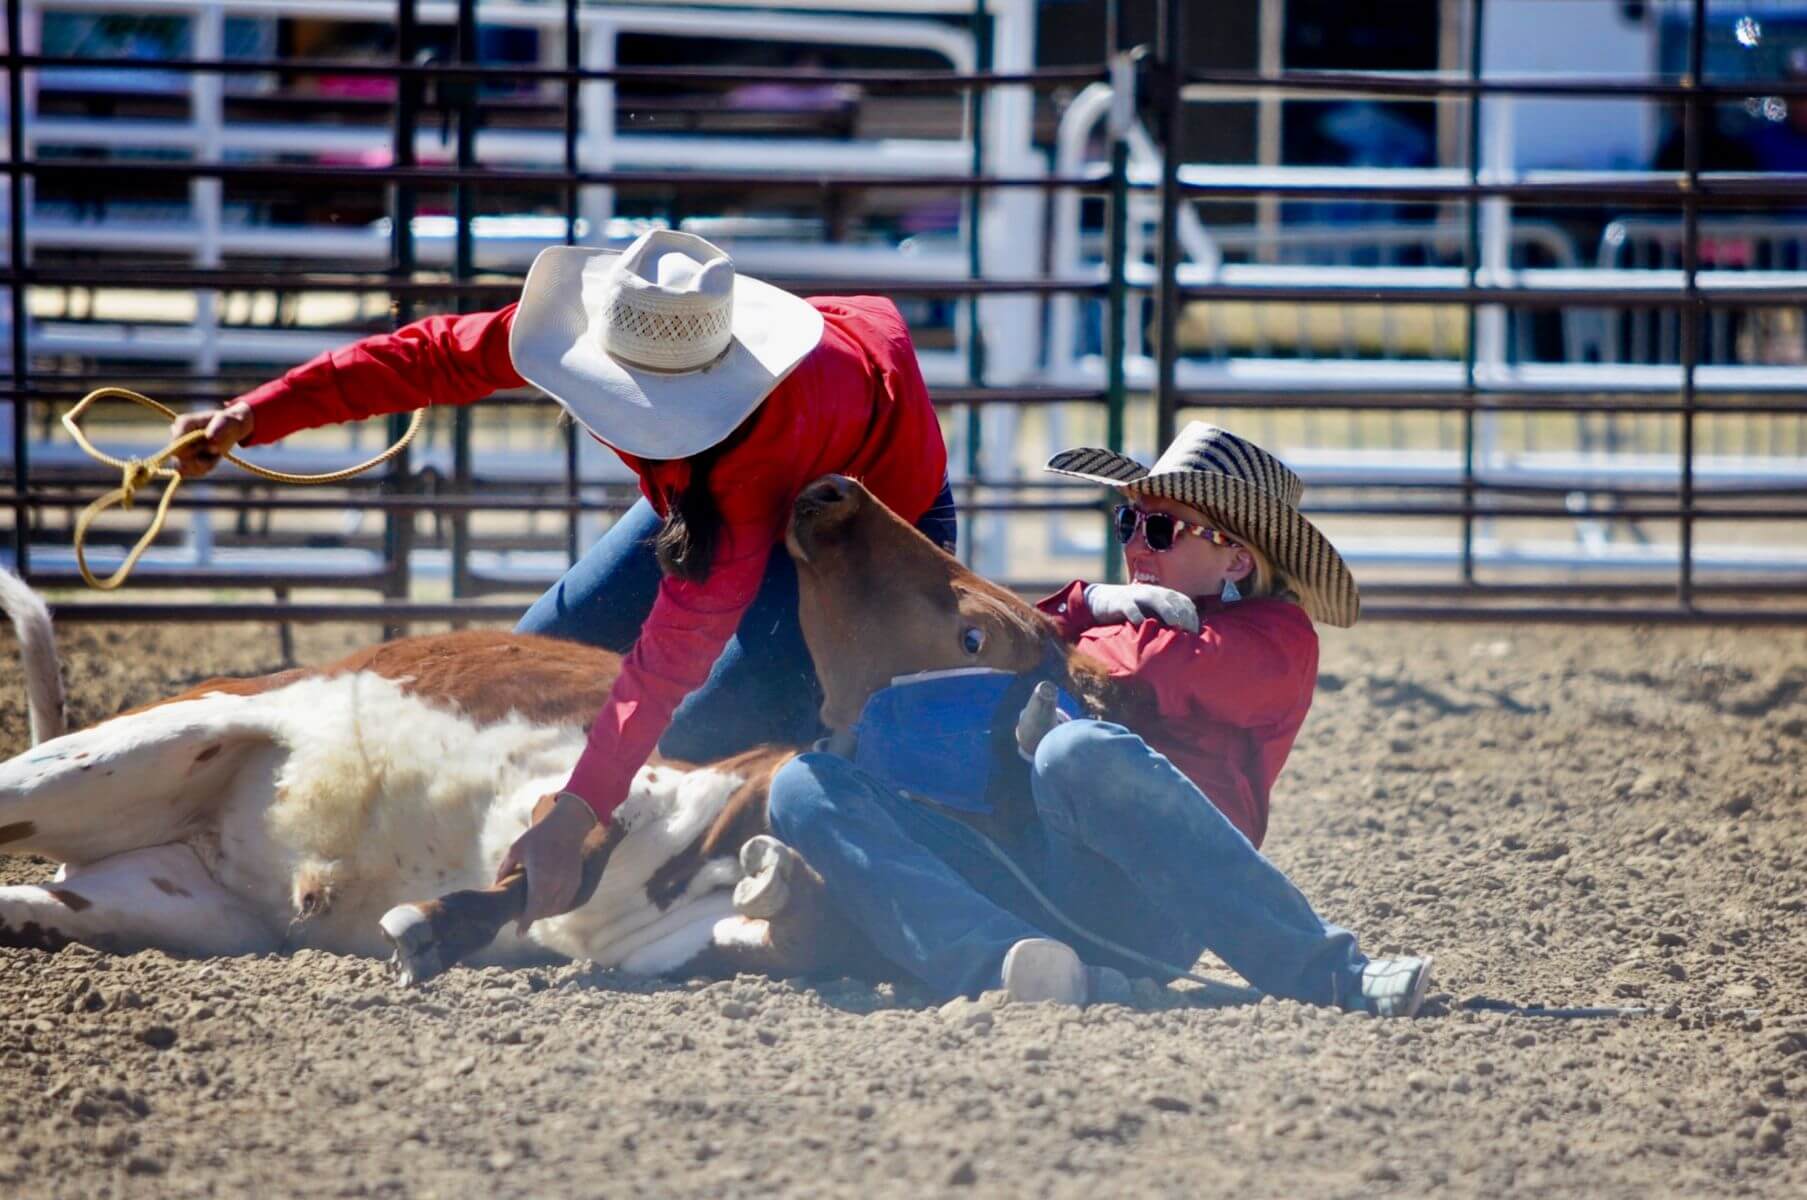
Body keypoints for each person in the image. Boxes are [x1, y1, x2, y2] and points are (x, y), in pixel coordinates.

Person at [169, 229, 953, 931]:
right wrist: (258, 413)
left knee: (695, 741)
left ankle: (768, 865)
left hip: (866, 539)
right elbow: (432, 353)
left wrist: (579, 808)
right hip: (718, 484)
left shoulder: (750, 455)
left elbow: (671, 656)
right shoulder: (660, 351)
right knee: (530, 661)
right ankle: (518, 846)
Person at [763, 423, 1433, 1016]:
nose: (1138, 545)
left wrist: (1081, 621)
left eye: (1162, 530)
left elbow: (1137, 668)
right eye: (1128, 524)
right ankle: (1003, 965)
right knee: (804, 782)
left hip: (1153, 910)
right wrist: (1090, 601)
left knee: (1075, 751)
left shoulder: (1277, 638)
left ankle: (1329, 972)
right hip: (1028, 873)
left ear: (1236, 558)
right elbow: (1026, 635)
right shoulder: (1127, 616)